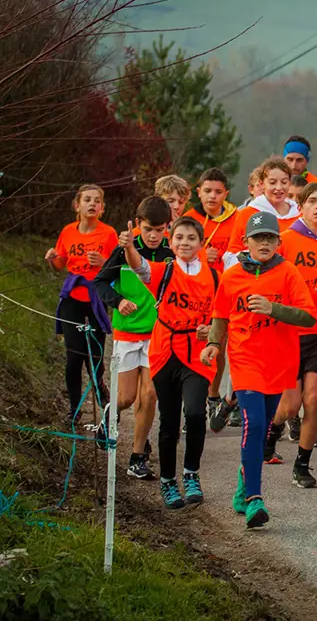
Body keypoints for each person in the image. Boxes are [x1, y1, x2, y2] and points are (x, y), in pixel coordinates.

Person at [201, 211, 317, 528]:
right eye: (258, 238)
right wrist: (213, 343)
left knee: (264, 424)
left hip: (279, 362)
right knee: (253, 423)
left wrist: (273, 309)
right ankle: (255, 498)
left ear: (278, 242)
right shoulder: (232, 275)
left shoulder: (288, 273)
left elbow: (309, 317)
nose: (264, 243)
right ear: (246, 242)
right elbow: (221, 315)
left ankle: (242, 485)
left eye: (270, 237)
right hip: (244, 358)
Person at [121, 216, 218, 509]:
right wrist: (128, 246)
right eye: (179, 238)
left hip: (197, 354)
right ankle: (167, 481)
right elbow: (139, 266)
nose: (184, 243)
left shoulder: (213, 276)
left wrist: (211, 330)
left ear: (201, 243)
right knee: (170, 421)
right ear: (170, 242)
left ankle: (191, 474)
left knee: (196, 415)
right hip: (165, 351)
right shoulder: (165, 271)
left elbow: (221, 314)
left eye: (191, 238)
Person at [262, 183, 317, 487]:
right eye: (313, 201)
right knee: (289, 407)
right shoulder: (285, 241)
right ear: (301, 206)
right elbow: (267, 277)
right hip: (287, 333)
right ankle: (272, 431)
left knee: (314, 399)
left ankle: (302, 464)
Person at [93, 196, 174, 480]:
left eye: (160, 229)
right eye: (149, 229)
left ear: (168, 227)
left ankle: (137, 457)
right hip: (127, 333)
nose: (154, 235)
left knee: (149, 395)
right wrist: (117, 301)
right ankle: (109, 412)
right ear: (137, 225)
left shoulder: (171, 253)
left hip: (158, 334)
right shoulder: (124, 250)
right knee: (127, 398)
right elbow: (99, 282)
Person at [46, 184, 117, 425]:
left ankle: (103, 401)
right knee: (74, 357)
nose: (92, 204)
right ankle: (74, 410)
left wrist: (104, 261)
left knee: (94, 358)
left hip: (96, 297)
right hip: (73, 298)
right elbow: (60, 263)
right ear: (77, 205)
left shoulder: (108, 234)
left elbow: (119, 267)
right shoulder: (68, 231)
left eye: (97, 201)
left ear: (102, 208)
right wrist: (52, 259)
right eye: (87, 199)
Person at [185, 168, 238, 413]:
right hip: (195, 291)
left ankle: (213, 395)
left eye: (218, 192)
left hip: (224, 291)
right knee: (195, 346)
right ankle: (192, 403)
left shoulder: (235, 218)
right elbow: (178, 250)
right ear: (199, 192)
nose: (212, 196)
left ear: (225, 194)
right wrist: (203, 254)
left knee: (218, 344)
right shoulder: (189, 218)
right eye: (207, 191)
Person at [224, 158, 300, 269]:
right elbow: (232, 255)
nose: (279, 188)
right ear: (261, 184)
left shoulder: (299, 214)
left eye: (284, 182)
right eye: (272, 182)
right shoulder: (248, 213)